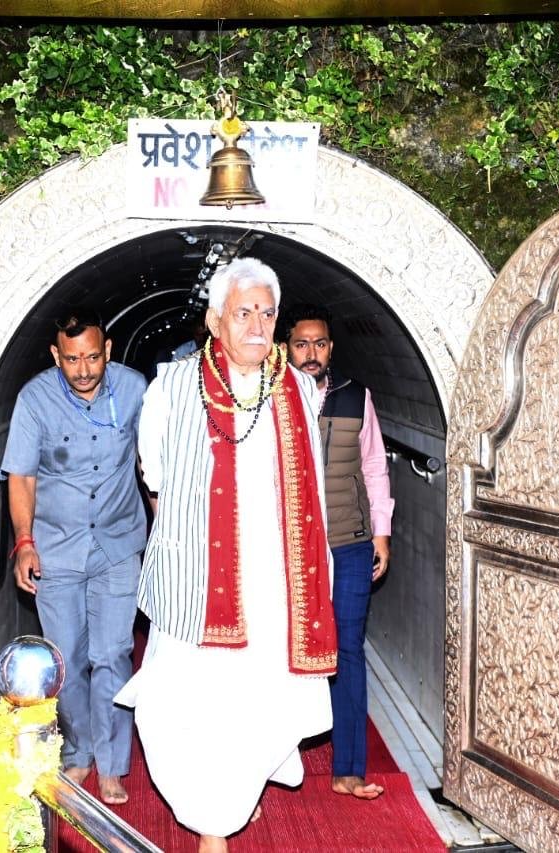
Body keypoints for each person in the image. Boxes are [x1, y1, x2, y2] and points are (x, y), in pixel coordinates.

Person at [117, 258, 336, 852]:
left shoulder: (298, 387)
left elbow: (312, 487)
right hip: (199, 587)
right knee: (191, 708)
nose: (258, 325)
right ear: (216, 320)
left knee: (258, 707)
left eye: (267, 313)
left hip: (276, 589)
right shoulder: (172, 387)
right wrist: (195, 545)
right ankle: (214, 817)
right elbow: (155, 479)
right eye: (243, 313)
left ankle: (232, 798)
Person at [0, 307, 147, 805]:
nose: (83, 370)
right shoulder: (34, 399)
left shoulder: (134, 390)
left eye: (92, 357)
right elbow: (22, 477)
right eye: (71, 360)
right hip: (56, 548)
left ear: (108, 350)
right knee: (66, 659)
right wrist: (24, 543)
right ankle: (80, 751)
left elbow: (153, 462)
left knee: (113, 654)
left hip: (118, 544)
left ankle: (111, 764)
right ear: (54, 355)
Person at [280, 302, 395, 801]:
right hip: (291, 549)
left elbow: (374, 467)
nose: (312, 353)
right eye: (302, 344)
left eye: (320, 344)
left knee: (348, 648)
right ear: (286, 348)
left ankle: (348, 768)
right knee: (284, 652)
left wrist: (382, 533)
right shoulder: (271, 400)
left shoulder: (355, 397)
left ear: (331, 347)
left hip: (349, 543)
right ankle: (270, 767)